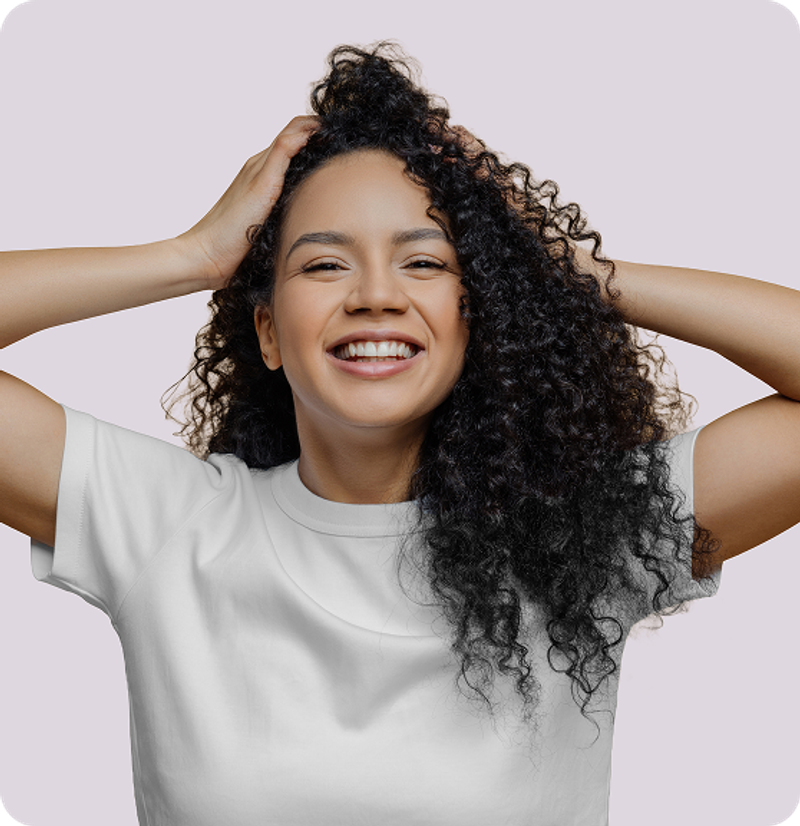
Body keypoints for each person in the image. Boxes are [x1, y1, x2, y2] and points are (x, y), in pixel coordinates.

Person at [1, 42, 798, 825]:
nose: (376, 295)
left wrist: (566, 269)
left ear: (476, 320)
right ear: (269, 333)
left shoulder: (580, 541)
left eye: (424, 264)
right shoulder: (162, 523)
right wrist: (190, 257)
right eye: (323, 266)